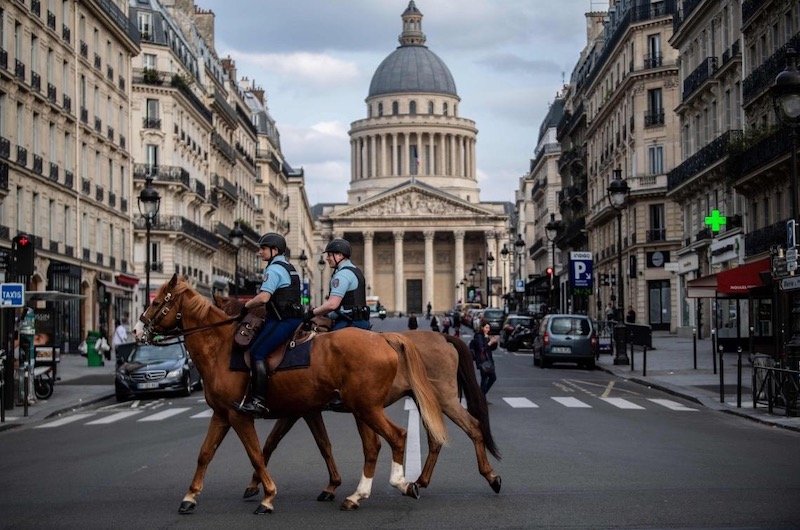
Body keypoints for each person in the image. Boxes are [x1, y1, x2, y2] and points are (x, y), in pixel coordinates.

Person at [235, 232, 303, 416]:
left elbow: (264, 297)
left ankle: (259, 401)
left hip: (283, 320)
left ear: (275, 250)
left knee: (257, 352)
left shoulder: (273, 269)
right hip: (292, 317)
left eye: (263, 249)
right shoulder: (290, 267)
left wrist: (245, 306)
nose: (260, 252)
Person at [304, 238, 370, 331]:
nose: (327, 258)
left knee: (323, 343)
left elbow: (332, 304)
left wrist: (312, 313)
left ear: (339, 255)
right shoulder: (356, 270)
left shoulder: (342, 275)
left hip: (348, 323)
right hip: (361, 322)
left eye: (330, 255)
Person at [469, 319, 498, 396]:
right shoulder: (479, 336)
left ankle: (481, 396)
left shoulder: (486, 336)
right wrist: (489, 342)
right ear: (482, 328)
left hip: (488, 360)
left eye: (489, 328)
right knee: (486, 379)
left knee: (491, 378)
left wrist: (494, 342)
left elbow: (491, 349)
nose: (488, 329)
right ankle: (481, 397)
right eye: (486, 327)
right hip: (482, 361)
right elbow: (482, 349)